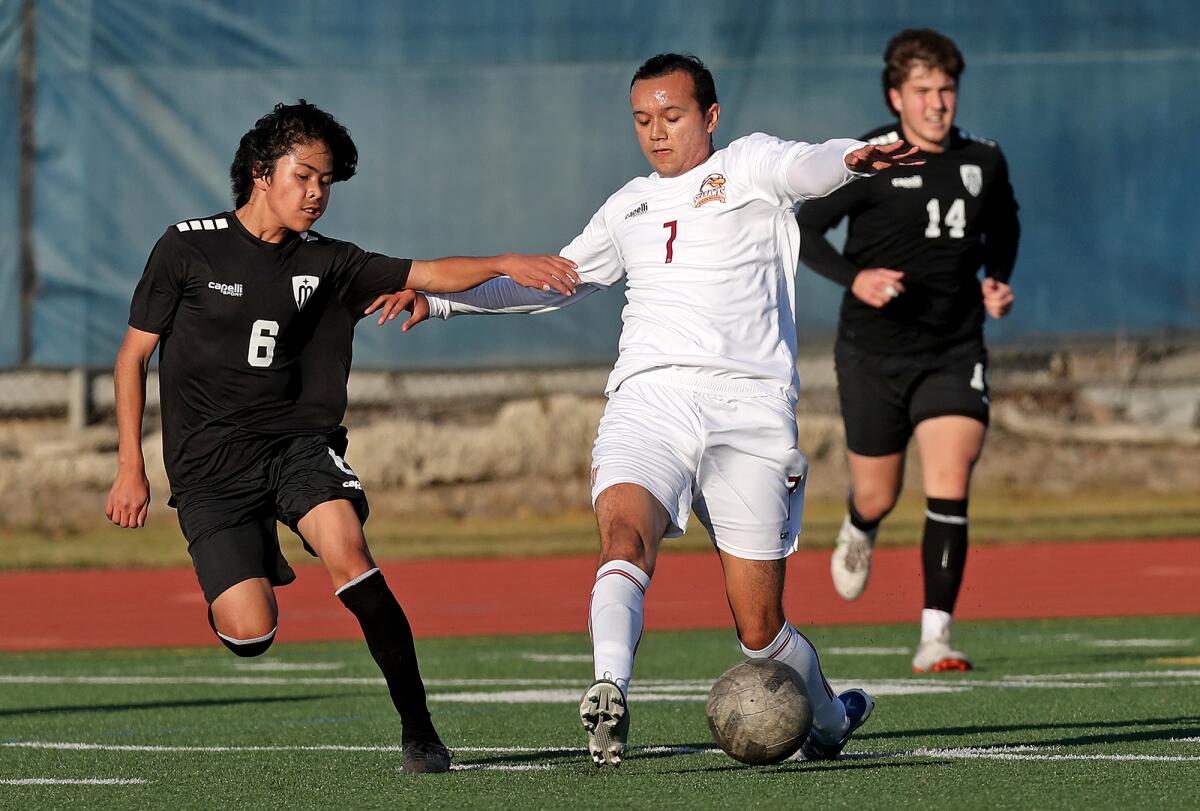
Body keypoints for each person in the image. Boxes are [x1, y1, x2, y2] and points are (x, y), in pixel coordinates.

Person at [373, 53, 921, 766]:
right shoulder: (627, 205)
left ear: (710, 116)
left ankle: (827, 718)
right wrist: (442, 299)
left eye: (672, 115)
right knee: (624, 536)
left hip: (747, 410)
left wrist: (855, 156)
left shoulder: (749, 166)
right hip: (649, 399)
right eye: (642, 119)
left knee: (759, 632)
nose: (656, 132)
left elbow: (810, 165)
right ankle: (609, 687)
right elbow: (552, 285)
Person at [103, 100, 579, 774]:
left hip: (296, 445)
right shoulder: (186, 246)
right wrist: (131, 465)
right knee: (251, 631)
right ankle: (255, 552)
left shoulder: (330, 262)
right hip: (208, 467)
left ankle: (420, 731)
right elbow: (131, 357)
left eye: (327, 181)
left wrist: (506, 260)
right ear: (262, 173)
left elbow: (428, 273)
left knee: (348, 547)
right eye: (306, 176)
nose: (318, 193)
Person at [796, 29, 1019, 673]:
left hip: (954, 348)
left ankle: (935, 637)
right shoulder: (872, 159)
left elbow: (1005, 223)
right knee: (877, 492)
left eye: (947, 89)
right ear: (897, 96)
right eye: (923, 91)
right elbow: (805, 232)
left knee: (950, 483)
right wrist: (856, 279)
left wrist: (998, 279)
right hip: (874, 354)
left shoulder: (985, 159)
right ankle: (860, 527)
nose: (937, 103)